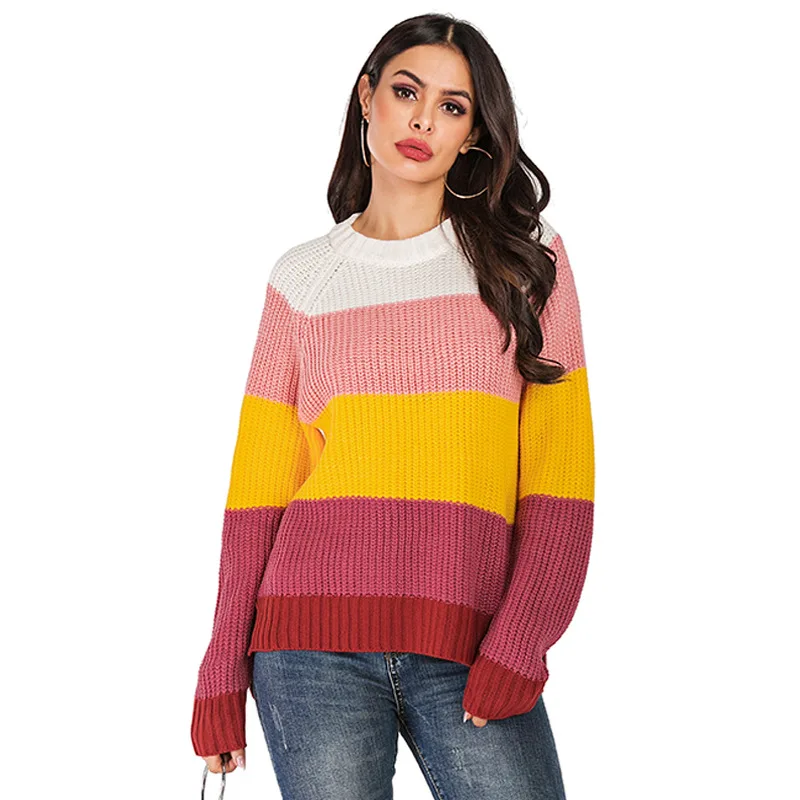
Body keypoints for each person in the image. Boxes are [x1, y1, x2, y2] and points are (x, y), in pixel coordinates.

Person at [191, 12, 595, 799]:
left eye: (453, 106)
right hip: (307, 646)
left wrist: (522, 639)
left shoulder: (526, 262)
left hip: (474, 640)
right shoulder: (302, 280)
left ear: (473, 136)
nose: (423, 120)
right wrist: (220, 669)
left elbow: (560, 475)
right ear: (366, 97)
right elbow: (257, 495)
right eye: (407, 92)